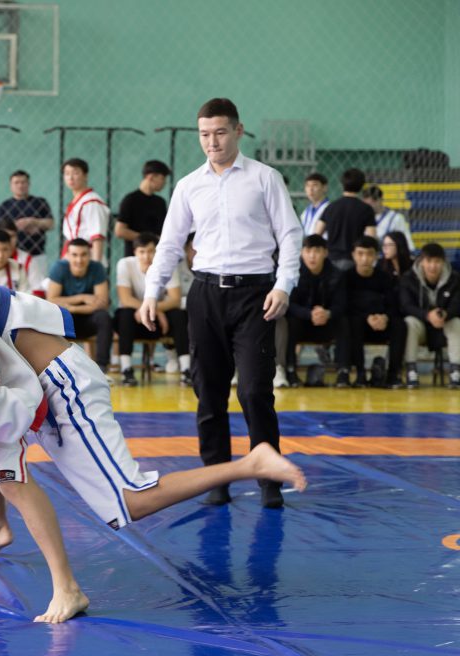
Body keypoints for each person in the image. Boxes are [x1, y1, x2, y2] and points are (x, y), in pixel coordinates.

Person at [0, 272, 307, 623]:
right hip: (8, 365)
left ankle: (250, 464)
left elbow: (26, 406)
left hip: (58, 383)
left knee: (127, 502)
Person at [140, 98, 303, 509]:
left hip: (256, 296)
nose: (212, 142)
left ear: (238, 131)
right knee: (209, 393)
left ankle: (268, 477)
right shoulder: (188, 186)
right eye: (204, 134)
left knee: (253, 390)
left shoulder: (265, 178)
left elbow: (290, 234)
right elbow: (170, 244)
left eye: (219, 133)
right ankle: (216, 476)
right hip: (206, 294)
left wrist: (283, 285)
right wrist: (151, 292)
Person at [115, 232, 190, 387]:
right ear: (135, 252)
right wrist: (151, 309)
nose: (146, 256)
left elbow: (175, 299)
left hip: (160, 324)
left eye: (151, 251)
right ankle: (126, 370)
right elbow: (125, 299)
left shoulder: (167, 266)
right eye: (142, 252)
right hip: (136, 321)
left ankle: (186, 369)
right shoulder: (125, 264)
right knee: (125, 314)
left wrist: (155, 310)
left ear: (157, 252)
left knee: (179, 315)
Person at [283, 235, 348, 388]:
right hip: (302, 324)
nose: (312, 256)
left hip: (326, 324)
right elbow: (290, 304)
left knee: (344, 321)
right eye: (308, 251)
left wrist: (328, 313)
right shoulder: (293, 274)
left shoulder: (337, 274)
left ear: (325, 253)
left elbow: (341, 304)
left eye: (317, 251)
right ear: (301, 253)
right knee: (290, 321)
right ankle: (290, 370)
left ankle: (343, 372)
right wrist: (309, 314)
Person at [343, 235, 405, 388]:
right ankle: (360, 374)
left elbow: (393, 305)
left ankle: (393, 375)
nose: (365, 259)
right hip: (358, 326)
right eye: (360, 254)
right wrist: (366, 317)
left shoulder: (385, 278)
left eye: (369, 254)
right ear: (353, 255)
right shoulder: (346, 278)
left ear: (376, 256)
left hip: (381, 325)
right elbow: (344, 306)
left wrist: (385, 317)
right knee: (351, 322)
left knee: (400, 324)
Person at [45, 238, 112, 376]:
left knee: (104, 317)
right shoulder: (59, 268)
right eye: (74, 255)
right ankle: (57, 368)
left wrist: (72, 307)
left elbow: (102, 303)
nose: (79, 260)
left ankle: (102, 367)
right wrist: (82, 298)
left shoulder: (97, 268)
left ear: (90, 255)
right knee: (53, 317)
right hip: (66, 322)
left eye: (83, 255)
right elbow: (51, 300)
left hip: (88, 320)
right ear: (68, 256)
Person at [399, 242, 460, 389]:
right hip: (421, 325)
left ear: (443, 262)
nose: (433, 266)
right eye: (429, 261)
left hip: (444, 324)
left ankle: (456, 370)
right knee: (409, 322)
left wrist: (445, 314)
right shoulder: (408, 278)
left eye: (437, 261)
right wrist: (427, 315)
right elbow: (406, 305)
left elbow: (457, 304)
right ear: (421, 261)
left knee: (457, 322)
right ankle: (411, 370)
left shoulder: (455, 278)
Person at [0, 170, 54, 297]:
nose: (20, 185)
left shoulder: (39, 202)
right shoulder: (5, 206)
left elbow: (51, 224)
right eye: (17, 182)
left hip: (36, 253)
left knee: (39, 288)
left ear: (29, 184)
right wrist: (16, 227)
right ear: (11, 185)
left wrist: (34, 222)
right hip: (10, 255)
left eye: (23, 182)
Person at [315, 168, 376, 271]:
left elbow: (317, 234)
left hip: (331, 259)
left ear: (342, 185)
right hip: (354, 260)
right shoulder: (366, 209)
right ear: (362, 185)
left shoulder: (330, 207)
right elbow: (371, 238)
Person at [114, 160, 171, 258]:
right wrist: (149, 240)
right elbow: (120, 231)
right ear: (151, 177)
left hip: (156, 256)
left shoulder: (160, 202)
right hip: (135, 257)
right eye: (162, 178)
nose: (164, 182)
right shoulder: (130, 200)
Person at [60, 158, 110, 263]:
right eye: (67, 173)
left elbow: (97, 237)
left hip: (86, 258)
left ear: (85, 175)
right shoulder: (76, 201)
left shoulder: (92, 202)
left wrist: (96, 266)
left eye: (75, 173)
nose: (70, 177)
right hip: (72, 256)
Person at [363, 185, 415, 250]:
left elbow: (408, 244)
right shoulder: (363, 217)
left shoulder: (396, 218)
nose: (367, 208)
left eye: (370, 204)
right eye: (365, 205)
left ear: (380, 200)